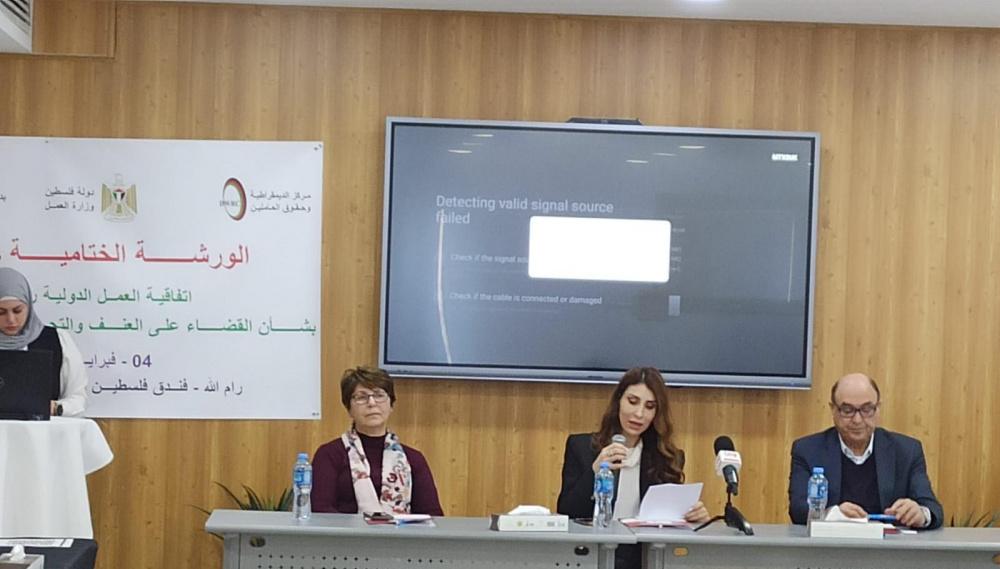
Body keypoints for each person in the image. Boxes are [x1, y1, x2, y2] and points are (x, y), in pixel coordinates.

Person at [557, 367, 709, 569]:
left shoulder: (667, 458)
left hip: (645, 560)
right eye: (632, 401)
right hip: (591, 557)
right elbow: (567, 512)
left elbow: (669, 523)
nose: (639, 414)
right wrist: (595, 472)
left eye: (649, 406)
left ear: (656, 413)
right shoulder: (582, 447)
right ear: (618, 401)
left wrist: (693, 517)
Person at [788, 372, 943, 528]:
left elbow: (932, 508)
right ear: (833, 410)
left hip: (890, 542)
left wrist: (921, 514)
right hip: (832, 541)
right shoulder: (808, 450)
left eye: (867, 409)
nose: (857, 420)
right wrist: (832, 514)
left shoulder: (907, 451)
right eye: (847, 410)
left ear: (878, 409)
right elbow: (798, 510)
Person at [312, 366, 444, 515]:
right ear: (349, 409)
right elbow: (320, 511)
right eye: (361, 397)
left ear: (391, 405)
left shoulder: (413, 459)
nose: (372, 403)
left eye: (379, 395)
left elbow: (433, 516)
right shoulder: (329, 455)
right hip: (344, 531)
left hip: (402, 531)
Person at [0, 267, 88, 416]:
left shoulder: (57, 340)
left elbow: (78, 397)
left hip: (46, 430)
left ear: (29, 305)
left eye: (17, 310)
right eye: (1, 312)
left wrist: (56, 408)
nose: (11, 319)